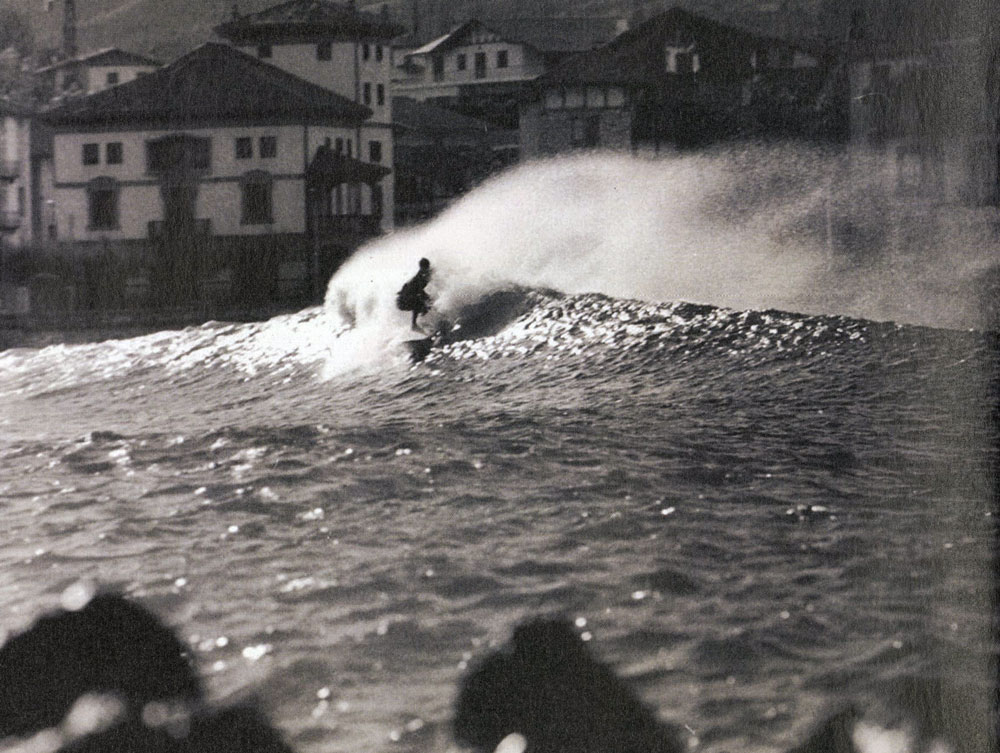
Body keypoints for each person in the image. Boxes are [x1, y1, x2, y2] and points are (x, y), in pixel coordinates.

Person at [396, 257, 433, 331]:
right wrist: (428, 299)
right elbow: (418, 291)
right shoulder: (419, 277)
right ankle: (414, 325)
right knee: (420, 303)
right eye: (425, 267)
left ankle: (421, 323)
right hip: (402, 301)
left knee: (425, 304)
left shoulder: (425, 274)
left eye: (427, 266)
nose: (427, 268)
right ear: (421, 267)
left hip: (406, 298)